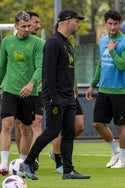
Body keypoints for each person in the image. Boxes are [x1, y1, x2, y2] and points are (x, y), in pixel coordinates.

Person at [23, 9, 90, 180]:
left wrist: (71, 95)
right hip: (55, 97)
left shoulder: (67, 44)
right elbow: (48, 73)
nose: (79, 24)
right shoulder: (53, 43)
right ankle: (28, 162)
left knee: (69, 132)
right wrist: (53, 97)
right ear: (67, 21)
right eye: (77, 20)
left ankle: (68, 170)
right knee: (52, 132)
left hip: (68, 97)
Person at [85, 9, 125, 168]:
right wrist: (93, 84)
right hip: (103, 90)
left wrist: (112, 50)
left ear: (119, 24)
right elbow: (101, 64)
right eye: (110, 24)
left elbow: (123, 65)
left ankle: (123, 160)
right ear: (106, 24)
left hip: (119, 90)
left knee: (121, 127)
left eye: (115, 24)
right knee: (97, 123)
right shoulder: (103, 41)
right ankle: (115, 152)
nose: (112, 27)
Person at [0, 11, 43, 175]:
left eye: (28, 26)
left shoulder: (38, 43)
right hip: (10, 90)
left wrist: (31, 84)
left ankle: (23, 163)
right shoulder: (6, 42)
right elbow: (2, 66)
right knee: (6, 125)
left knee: (25, 129)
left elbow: (40, 67)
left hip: (29, 93)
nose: (26, 29)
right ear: (16, 26)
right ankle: (3, 164)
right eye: (23, 26)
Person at [49, 33, 85, 174]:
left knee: (79, 125)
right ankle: (59, 162)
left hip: (72, 94)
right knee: (59, 129)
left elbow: (72, 71)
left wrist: (75, 87)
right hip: (60, 94)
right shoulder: (54, 45)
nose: (72, 36)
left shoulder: (71, 47)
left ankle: (58, 151)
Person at [14, 11, 43, 170]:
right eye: (35, 22)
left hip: (37, 91)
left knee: (36, 123)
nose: (37, 26)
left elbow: (42, 67)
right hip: (17, 90)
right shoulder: (15, 43)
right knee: (19, 125)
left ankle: (34, 157)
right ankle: (22, 159)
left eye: (38, 23)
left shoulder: (39, 43)